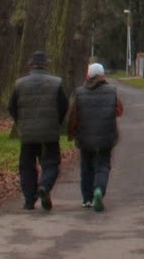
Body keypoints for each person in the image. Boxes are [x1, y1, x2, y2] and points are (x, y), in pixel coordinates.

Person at [7, 50, 68, 211]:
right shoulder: (56, 83)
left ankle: (29, 200)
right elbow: (64, 105)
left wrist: (21, 122)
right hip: (49, 130)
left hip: (27, 132)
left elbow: (11, 107)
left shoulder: (19, 84)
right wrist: (57, 122)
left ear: (30, 65)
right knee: (51, 162)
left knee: (26, 165)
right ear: (46, 65)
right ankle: (45, 187)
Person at [67, 62, 124, 212]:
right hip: (106, 135)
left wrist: (71, 133)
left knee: (86, 167)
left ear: (88, 75)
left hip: (85, 136)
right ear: (103, 75)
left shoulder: (79, 92)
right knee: (103, 166)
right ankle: (98, 190)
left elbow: (73, 116)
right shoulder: (112, 91)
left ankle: (87, 199)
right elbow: (119, 111)